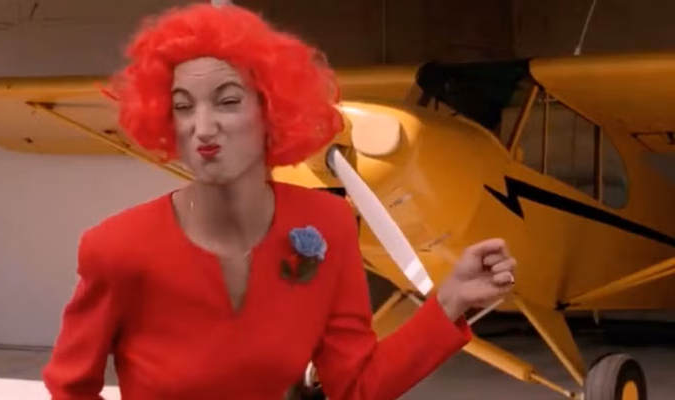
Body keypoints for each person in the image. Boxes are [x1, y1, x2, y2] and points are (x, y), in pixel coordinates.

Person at [42, 3, 516, 400]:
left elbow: (356, 386)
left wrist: (450, 301)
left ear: (270, 110)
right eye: (183, 106)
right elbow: (70, 389)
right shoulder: (117, 247)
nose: (202, 127)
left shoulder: (326, 224)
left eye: (227, 101)